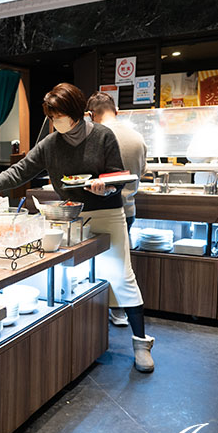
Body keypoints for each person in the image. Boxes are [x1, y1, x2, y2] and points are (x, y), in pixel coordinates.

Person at [0, 83, 155, 373]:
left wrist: (104, 187)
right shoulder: (51, 144)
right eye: (52, 117)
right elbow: (22, 170)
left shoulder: (103, 136)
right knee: (75, 275)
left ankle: (140, 342)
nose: (56, 122)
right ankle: (79, 338)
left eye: (59, 116)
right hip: (70, 217)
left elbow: (119, 175)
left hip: (106, 212)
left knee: (122, 275)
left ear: (77, 112)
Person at [86, 92, 147, 329]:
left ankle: (97, 312)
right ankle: (119, 310)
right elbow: (141, 172)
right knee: (121, 266)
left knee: (96, 264)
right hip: (127, 208)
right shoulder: (137, 137)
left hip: (100, 209)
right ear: (117, 110)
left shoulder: (97, 137)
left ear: (91, 115)